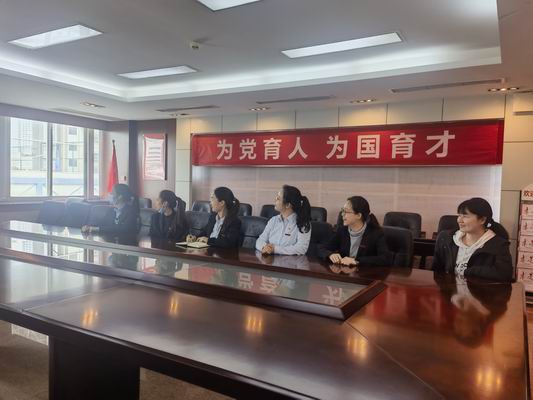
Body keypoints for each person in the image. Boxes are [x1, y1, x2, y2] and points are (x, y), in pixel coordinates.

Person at [432, 197, 513, 282]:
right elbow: (436, 271)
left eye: (465, 216)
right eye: (459, 215)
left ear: (482, 220)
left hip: (480, 290)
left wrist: (469, 272)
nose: (459, 220)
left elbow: (504, 275)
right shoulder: (446, 239)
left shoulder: (498, 244)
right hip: (449, 289)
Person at [318, 196, 391, 266]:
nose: (342, 214)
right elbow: (322, 248)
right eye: (342, 210)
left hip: (365, 273)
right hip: (344, 272)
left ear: (358, 215)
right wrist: (330, 254)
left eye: (346, 211)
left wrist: (357, 261)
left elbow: (385, 258)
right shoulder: (342, 230)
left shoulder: (376, 233)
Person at [255, 185, 311, 255]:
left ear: (287, 205)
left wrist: (275, 249)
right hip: (269, 260)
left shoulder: (303, 223)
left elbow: (301, 249)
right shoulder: (273, 220)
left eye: (278, 198)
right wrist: (264, 247)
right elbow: (260, 240)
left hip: (290, 261)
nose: (275, 199)